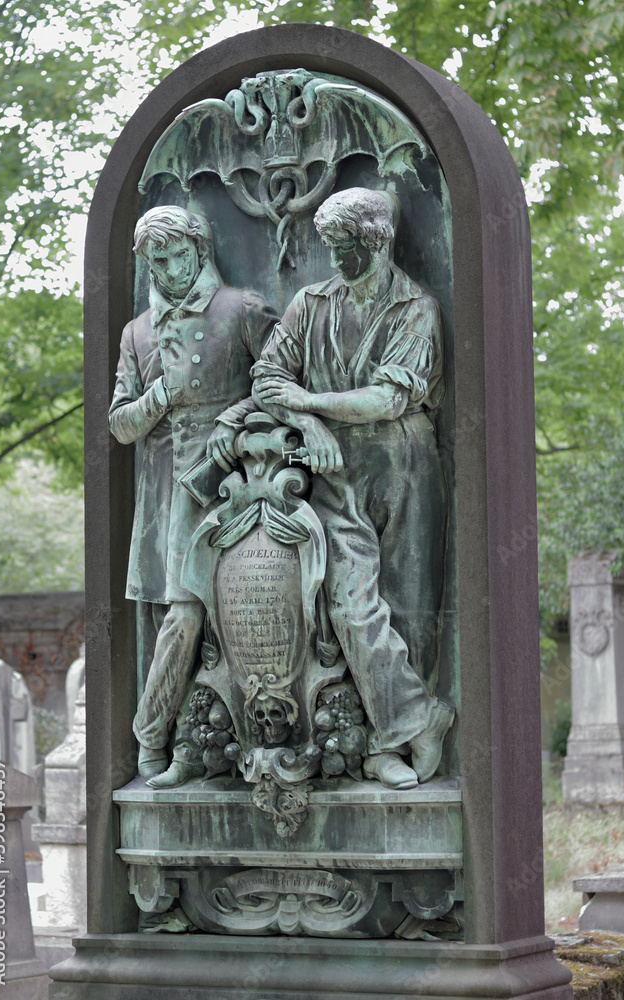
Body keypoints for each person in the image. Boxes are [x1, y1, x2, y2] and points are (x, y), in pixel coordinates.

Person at [252, 187, 454, 790]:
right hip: (334, 473)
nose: (335, 259)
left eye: (346, 248)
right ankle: (421, 719)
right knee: (350, 606)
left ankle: (379, 744)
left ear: (378, 241)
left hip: (405, 464)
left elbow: (389, 398)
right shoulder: (311, 304)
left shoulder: (417, 309)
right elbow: (267, 374)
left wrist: (309, 402)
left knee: (412, 612)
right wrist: (308, 425)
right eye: (329, 247)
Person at [109, 206, 277, 786]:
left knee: (196, 619)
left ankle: (155, 738)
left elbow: (284, 384)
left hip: (231, 487)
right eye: (159, 260)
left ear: (200, 251)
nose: (172, 269)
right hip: (163, 496)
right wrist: (162, 393)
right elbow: (121, 424)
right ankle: (182, 743)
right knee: (174, 622)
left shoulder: (242, 309)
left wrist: (236, 416)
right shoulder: (138, 332)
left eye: (181, 255)